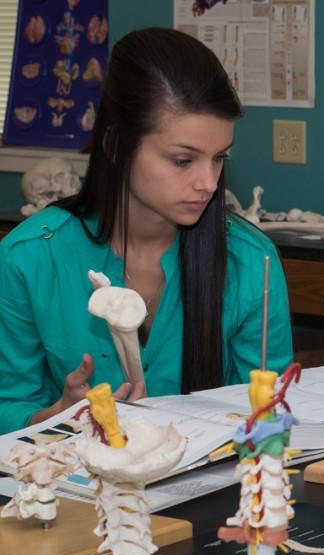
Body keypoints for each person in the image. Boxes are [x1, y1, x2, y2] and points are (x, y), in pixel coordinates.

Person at [0, 27, 293, 435]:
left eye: (219, 158)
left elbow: (270, 417)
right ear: (116, 145)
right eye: (182, 160)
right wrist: (58, 418)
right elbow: (9, 409)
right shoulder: (28, 257)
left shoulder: (249, 262)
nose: (208, 182)